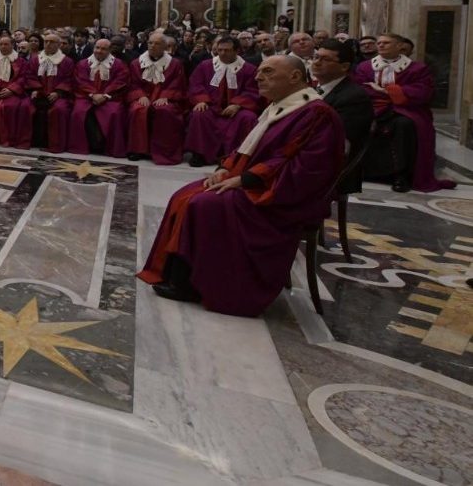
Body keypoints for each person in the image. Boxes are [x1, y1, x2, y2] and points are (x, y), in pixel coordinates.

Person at [138, 55, 344, 316]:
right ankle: (182, 278)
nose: (258, 77)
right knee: (184, 195)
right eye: (259, 72)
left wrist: (246, 179)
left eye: (267, 72)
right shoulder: (281, 105)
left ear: (294, 77)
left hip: (279, 196)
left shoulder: (316, 114)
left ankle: (203, 286)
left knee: (204, 204)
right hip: (257, 181)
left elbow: (307, 168)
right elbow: (249, 147)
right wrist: (226, 168)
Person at [353, 34, 455, 192]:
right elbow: (360, 87)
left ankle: (401, 175)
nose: (381, 45)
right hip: (372, 107)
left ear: (399, 46)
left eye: (386, 43)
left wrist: (388, 91)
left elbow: (423, 91)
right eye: (379, 43)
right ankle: (361, 170)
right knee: (355, 121)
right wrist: (384, 95)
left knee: (405, 125)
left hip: (406, 109)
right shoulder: (365, 67)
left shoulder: (417, 68)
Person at [182, 36, 260, 167]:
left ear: (236, 51)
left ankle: (236, 157)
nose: (222, 53)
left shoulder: (249, 69)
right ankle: (200, 154)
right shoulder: (205, 66)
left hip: (236, 109)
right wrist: (201, 100)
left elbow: (253, 90)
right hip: (211, 106)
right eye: (220, 50)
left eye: (227, 50)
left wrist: (238, 104)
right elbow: (196, 84)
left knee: (248, 118)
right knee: (199, 114)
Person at [312, 38, 373, 195]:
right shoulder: (312, 89)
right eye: (316, 57)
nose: (317, 62)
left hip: (329, 166)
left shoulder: (354, 96)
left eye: (325, 59)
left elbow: (336, 140)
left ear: (344, 66)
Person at [126, 32, 188, 165]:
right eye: (150, 43)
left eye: (157, 43)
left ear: (165, 47)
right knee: (137, 109)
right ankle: (138, 150)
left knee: (165, 111)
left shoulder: (175, 64)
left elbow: (177, 83)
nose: (152, 46)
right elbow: (133, 83)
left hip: (165, 98)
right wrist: (140, 95)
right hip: (144, 97)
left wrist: (166, 96)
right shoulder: (136, 63)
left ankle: (164, 152)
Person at [71, 38, 129, 158]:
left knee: (114, 113)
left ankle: (108, 147)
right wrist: (93, 94)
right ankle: (83, 146)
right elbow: (81, 81)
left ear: (110, 50)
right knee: (78, 112)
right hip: (86, 96)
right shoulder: (83, 64)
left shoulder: (119, 64)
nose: (99, 51)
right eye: (97, 48)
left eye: (103, 49)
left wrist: (105, 95)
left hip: (111, 97)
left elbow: (120, 82)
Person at [30, 33, 75, 153]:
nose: (48, 44)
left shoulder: (67, 61)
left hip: (60, 96)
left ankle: (55, 144)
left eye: (52, 42)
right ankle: (30, 141)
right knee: (24, 106)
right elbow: (30, 76)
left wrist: (58, 92)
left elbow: (69, 79)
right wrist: (36, 89)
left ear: (59, 45)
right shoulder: (35, 60)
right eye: (46, 42)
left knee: (58, 110)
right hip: (39, 93)